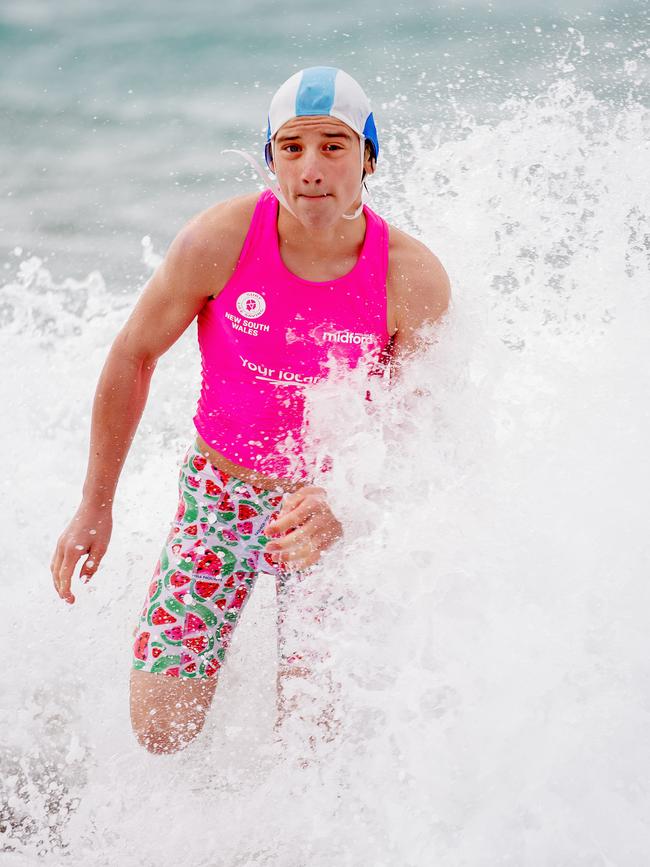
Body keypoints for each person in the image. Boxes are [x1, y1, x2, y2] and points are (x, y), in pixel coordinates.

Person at [50, 66, 451, 755]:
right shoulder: (220, 241)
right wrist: (95, 504)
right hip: (218, 501)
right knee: (161, 732)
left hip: (323, 517)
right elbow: (132, 357)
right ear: (271, 159)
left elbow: (416, 425)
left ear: (370, 157)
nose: (312, 167)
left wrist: (349, 501)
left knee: (314, 745)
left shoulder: (410, 278)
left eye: (333, 145)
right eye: (291, 148)